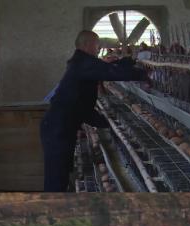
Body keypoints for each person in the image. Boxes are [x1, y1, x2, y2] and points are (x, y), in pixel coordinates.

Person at [40, 30, 148, 192]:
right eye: (97, 45)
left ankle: (58, 208)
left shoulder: (82, 62)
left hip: (62, 125)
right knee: (56, 178)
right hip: (58, 128)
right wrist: (145, 74)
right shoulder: (83, 63)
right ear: (88, 44)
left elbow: (83, 106)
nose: (98, 49)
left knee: (61, 173)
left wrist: (107, 123)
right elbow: (110, 72)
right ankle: (52, 212)